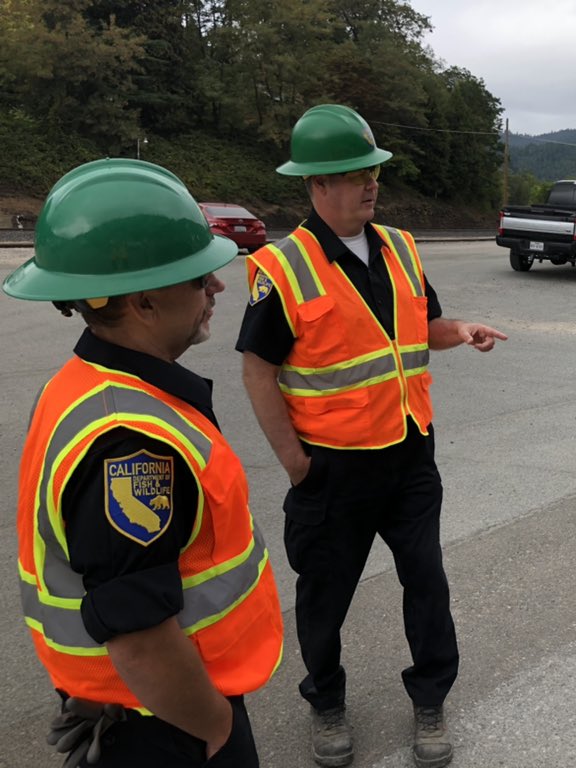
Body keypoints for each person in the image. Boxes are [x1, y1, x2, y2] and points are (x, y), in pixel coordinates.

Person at [236, 104, 507, 768]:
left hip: (410, 457)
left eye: (373, 169)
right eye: (354, 173)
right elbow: (257, 370)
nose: (370, 182)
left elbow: (424, 327)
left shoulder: (402, 247)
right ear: (316, 185)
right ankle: (325, 701)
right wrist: (296, 464)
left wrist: (461, 330)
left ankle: (430, 697)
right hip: (332, 471)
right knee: (324, 597)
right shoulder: (283, 265)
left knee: (427, 582)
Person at [4, 158, 284, 768]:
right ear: (143, 302)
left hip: (144, 709)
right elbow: (136, 630)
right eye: (195, 278)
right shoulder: (131, 442)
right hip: (164, 722)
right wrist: (213, 729)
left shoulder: (83, 384)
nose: (216, 288)